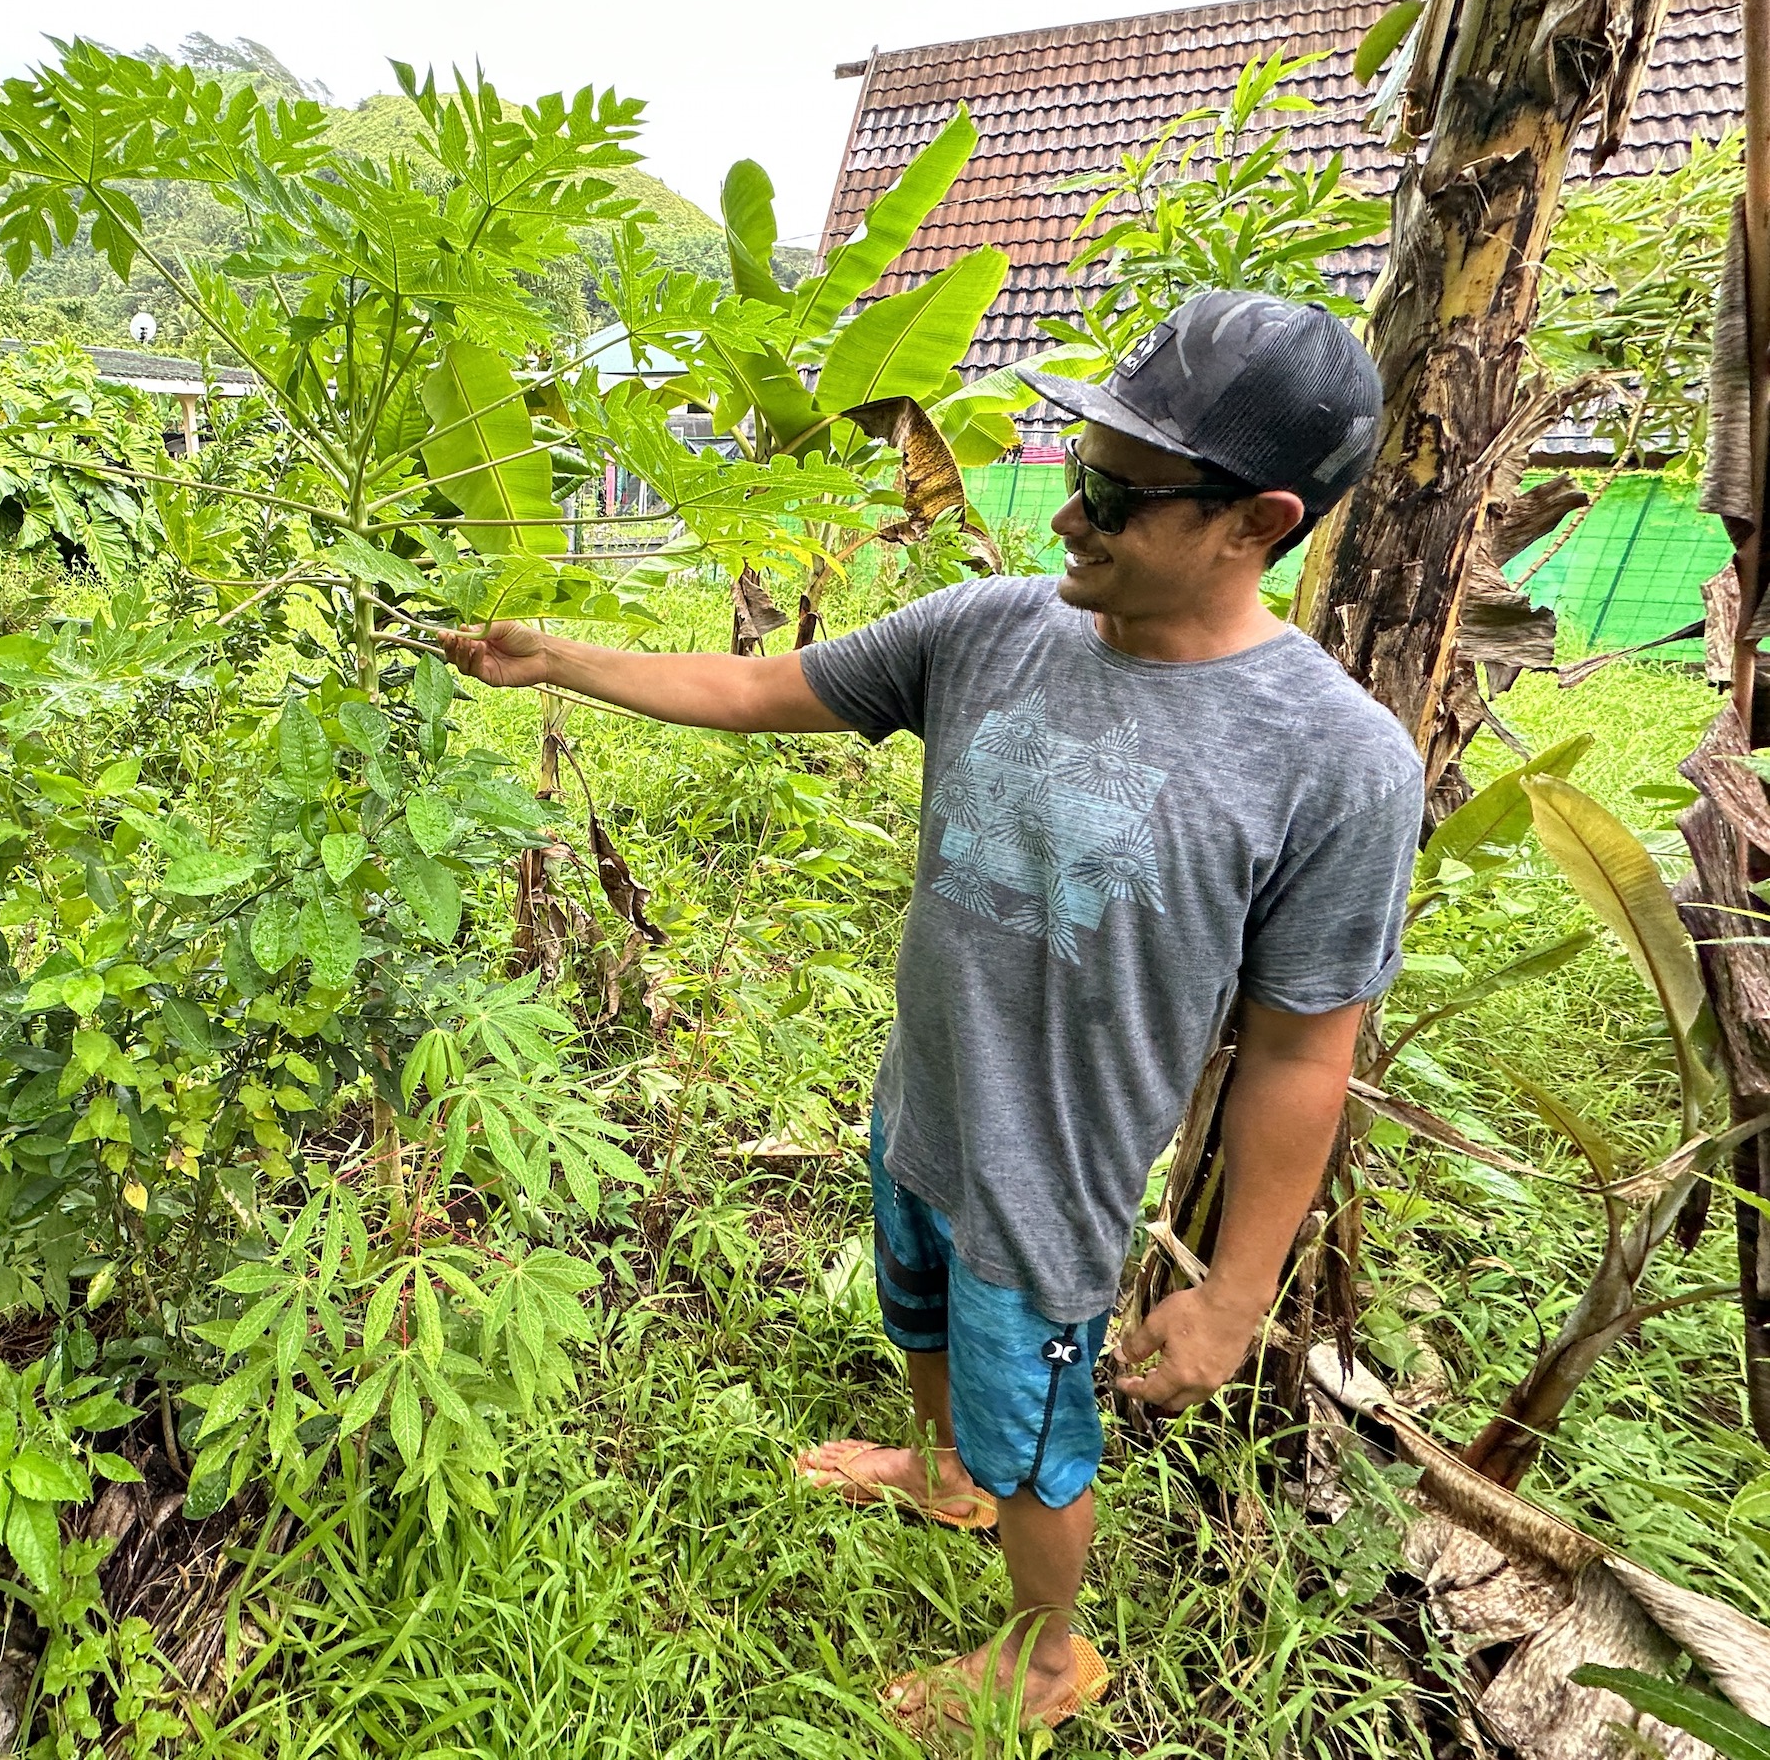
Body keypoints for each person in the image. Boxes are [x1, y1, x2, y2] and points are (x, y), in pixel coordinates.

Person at [440, 291, 1425, 1732]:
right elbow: (770, 683)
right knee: (915, 1308)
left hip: (1058, 1180)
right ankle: (934, 1472)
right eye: (1072, 468)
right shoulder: (992, 630)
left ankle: (1047, 1657)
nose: (1066, 519)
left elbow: (1299, 1051)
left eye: (1113, 494)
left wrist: (1235, 1290)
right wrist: (565, 661)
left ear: (1257, 523)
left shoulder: (1338, 760)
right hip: (927, 1097)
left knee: (1038, 1442)